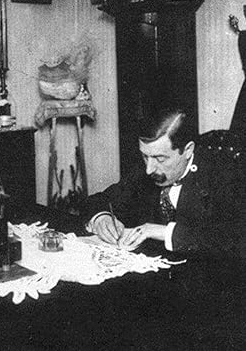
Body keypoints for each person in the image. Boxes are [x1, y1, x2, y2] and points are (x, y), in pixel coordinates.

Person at [81, 107, 246, 257]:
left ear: (188, 150)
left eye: (160, 158)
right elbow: (100, 200)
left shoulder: (226, 176)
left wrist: (162, 232)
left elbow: (233, 238)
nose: (149, 169)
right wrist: (101, 218)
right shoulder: (146, 171)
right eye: (145, 157)